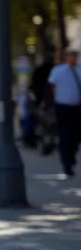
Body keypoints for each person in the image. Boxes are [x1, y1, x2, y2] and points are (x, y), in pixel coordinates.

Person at [48, 48, 81, 177]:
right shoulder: (58, 71)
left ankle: (71, 157)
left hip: (77, 107)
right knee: (65, 135)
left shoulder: (79, 70)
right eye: (72, 56)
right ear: (66, 57)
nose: (74, 58)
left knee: (76, 135)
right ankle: (66, 164)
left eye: (76, 56)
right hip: (62, 107)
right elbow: (51, 86)